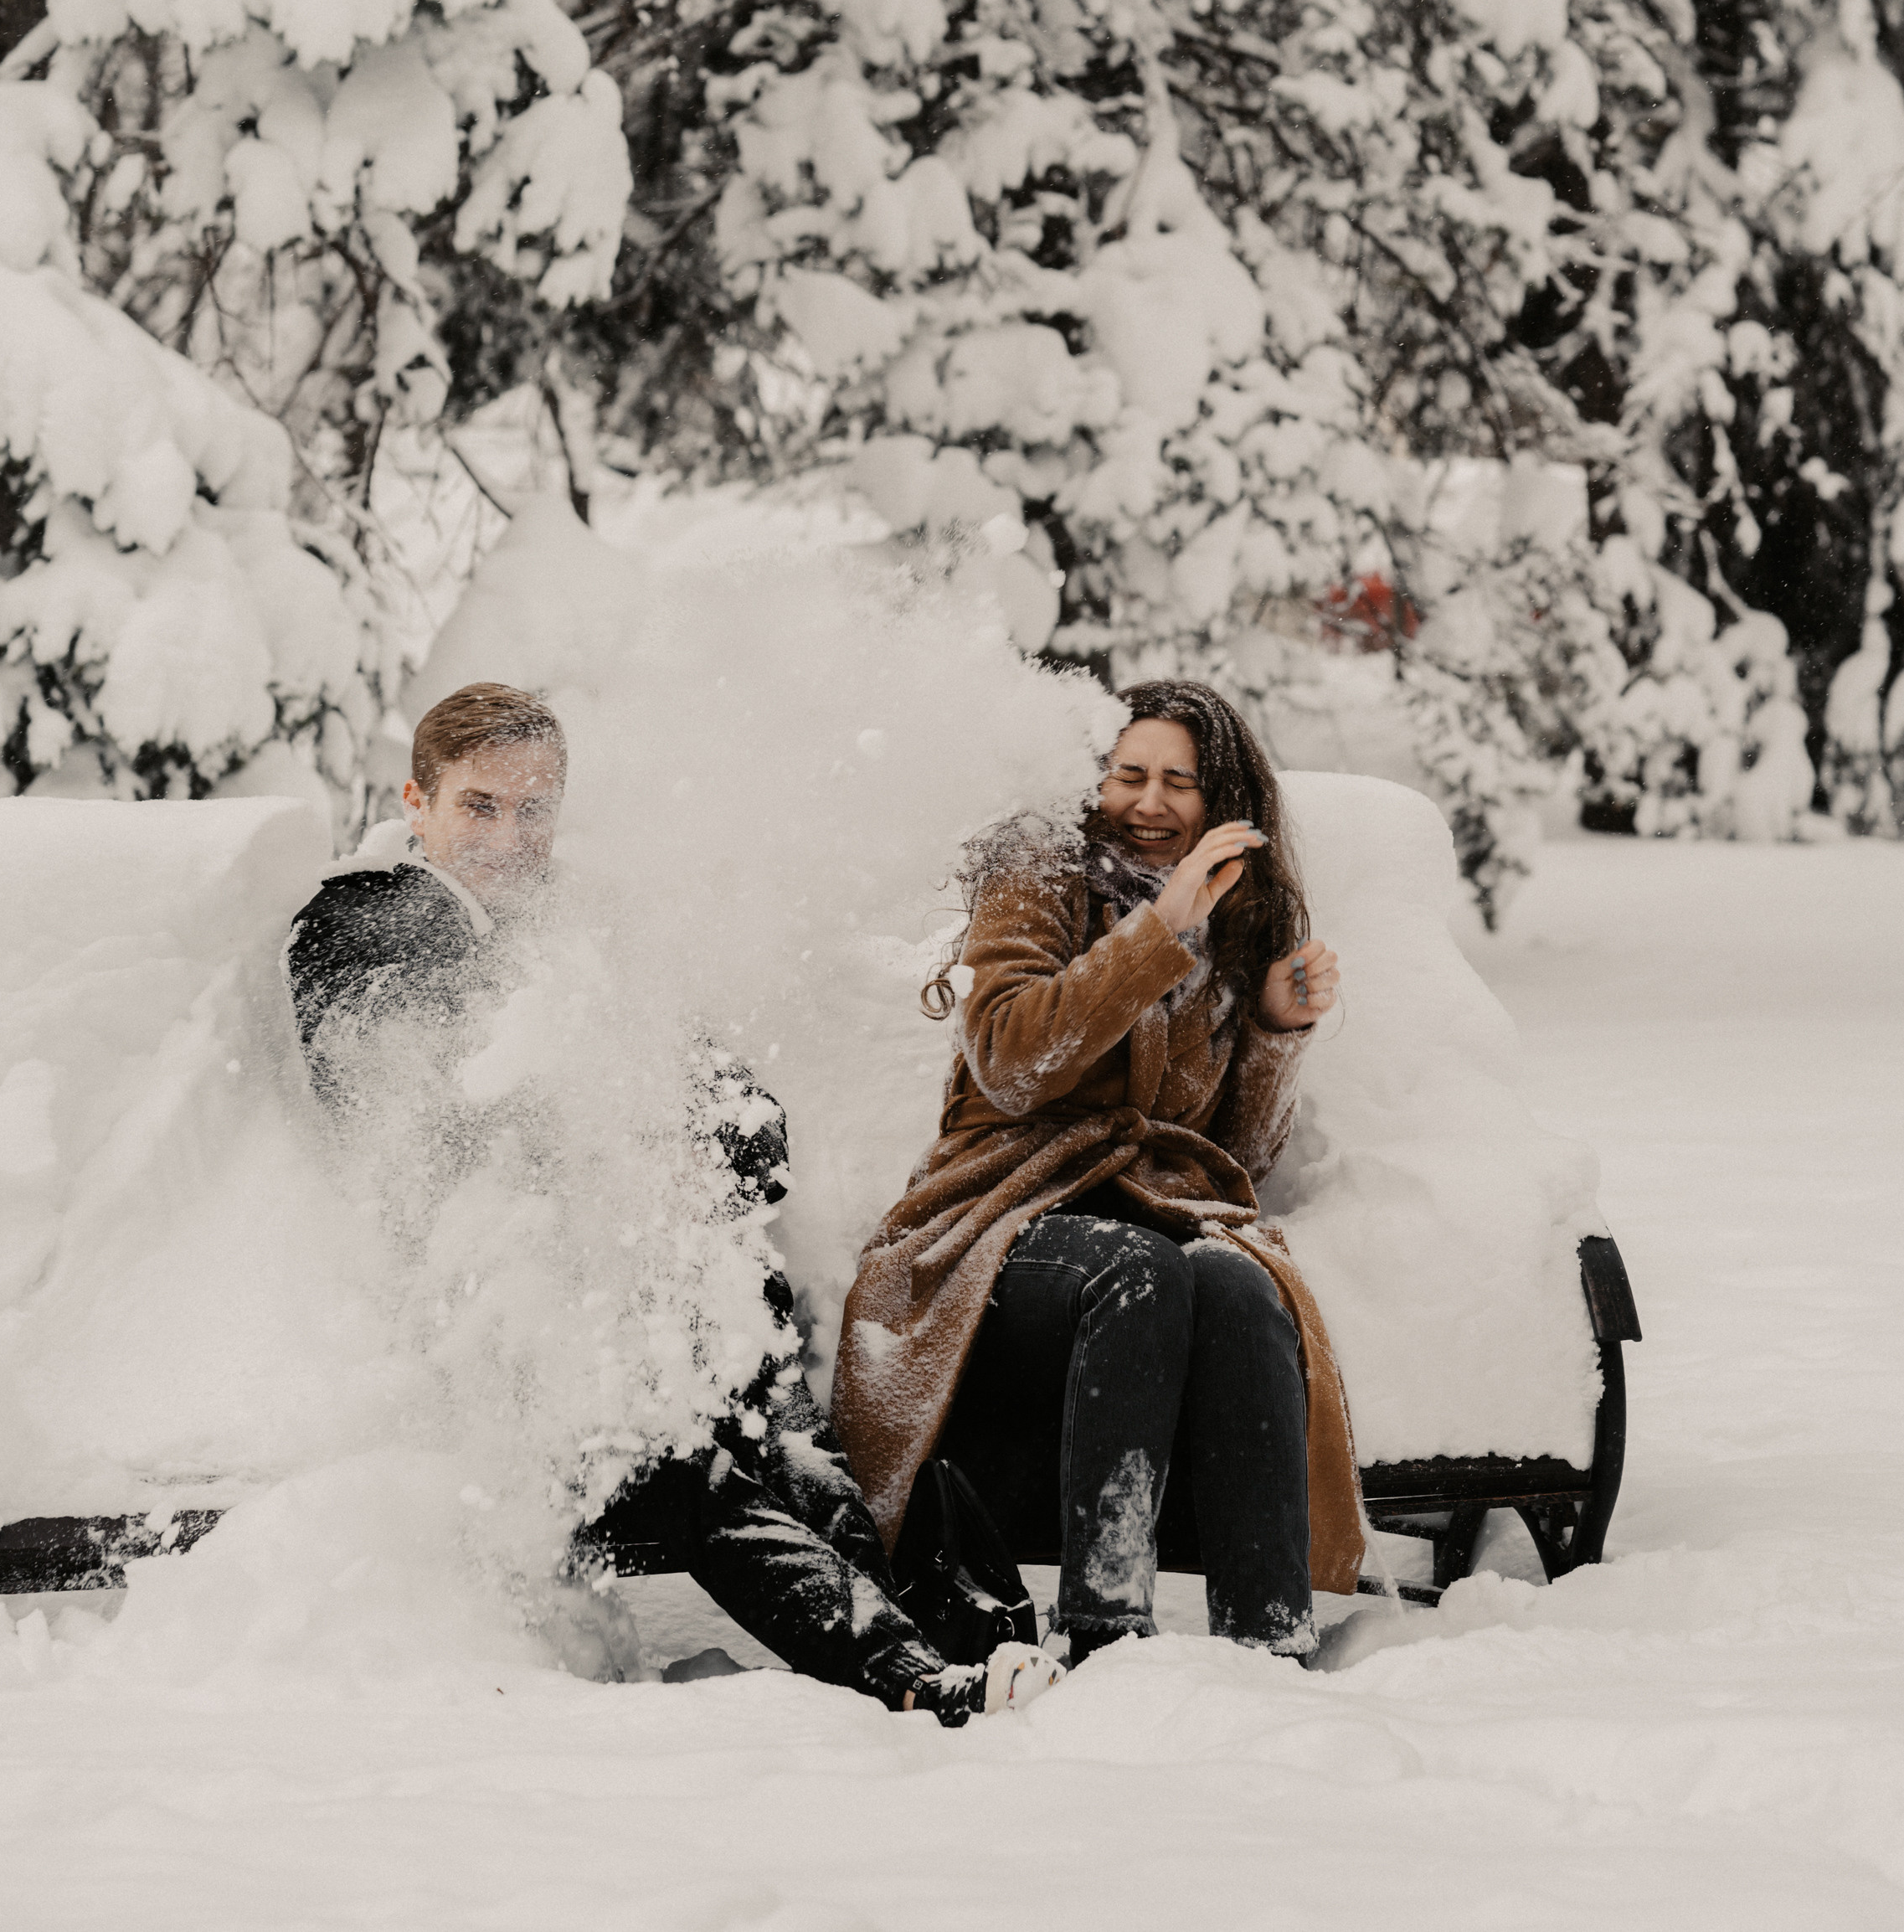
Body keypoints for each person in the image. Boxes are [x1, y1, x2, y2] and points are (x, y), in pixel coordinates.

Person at [286, 679, 1061, 1726]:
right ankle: (915, 1678)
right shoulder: (359, 915)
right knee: (691, 1465)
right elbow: (409, 1094)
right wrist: (584, 1108)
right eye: (480, 805)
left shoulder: (589, 924)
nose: (512, 836)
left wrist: (712, 1130)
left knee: (793, 1446)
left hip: (655, 1290)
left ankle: (988, 1644)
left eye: (535, 809)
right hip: (500, 1328)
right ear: (416, 800)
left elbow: (730, 1100)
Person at [831, 679, 1368, 1665]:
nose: (1151, 803)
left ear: (1223, 799)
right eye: (1129, 774)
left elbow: (1233, 1157)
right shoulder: (1038, 868)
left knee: (1241, 1284)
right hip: (998, 1215)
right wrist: (1156, 934)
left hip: (1151, 1212)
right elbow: (1011, 1058)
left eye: (1180, 782)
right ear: (1093, 778)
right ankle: (1106, 1630)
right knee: (1141, 1271)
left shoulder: (1234, 912)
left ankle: (1269, 1641)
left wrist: (1273, 1031)